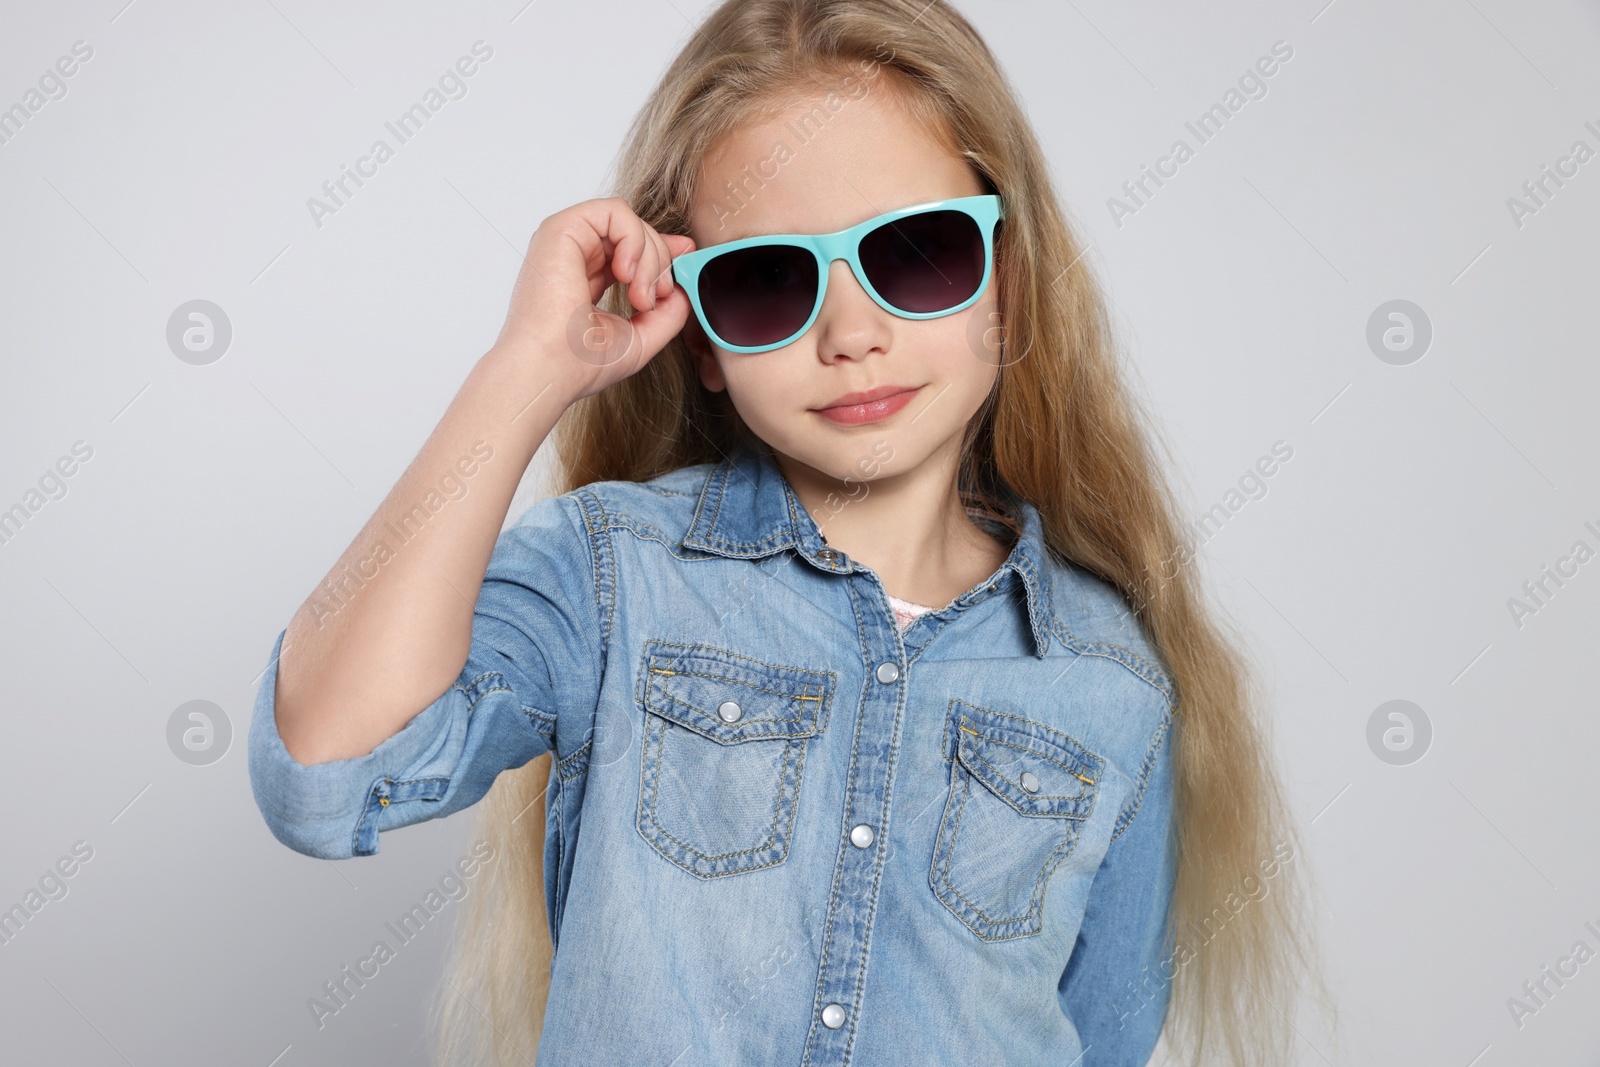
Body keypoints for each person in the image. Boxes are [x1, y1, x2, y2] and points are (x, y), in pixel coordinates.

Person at [247, 1, 1332, 1064]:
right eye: (768, 279)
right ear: (701, 333)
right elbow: (325, 771)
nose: (851, 334)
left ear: (1006, 279)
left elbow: (1101, 1035)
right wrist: (527, 369)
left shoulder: (1105, 678)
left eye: (916, 254)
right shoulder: (618, 578)